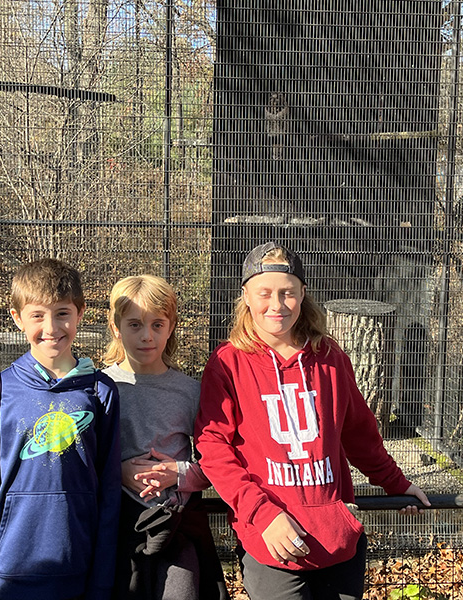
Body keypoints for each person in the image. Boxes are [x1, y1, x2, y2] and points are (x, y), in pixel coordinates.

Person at [194, 242, 430, 600]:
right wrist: (262, 514)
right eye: (265, 293)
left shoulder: (330, 357)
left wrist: (396, 483)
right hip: (273, 543)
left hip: (336, 539)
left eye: (288, 292)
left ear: (303, 293)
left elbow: (359, 434)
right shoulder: (228, 363)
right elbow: (213, 447)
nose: (277, 305)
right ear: (245, 295)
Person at [0, 258, 121, 600]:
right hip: (11, 572)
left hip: (80, 568)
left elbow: (109, 492)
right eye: (37, 315)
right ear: (17, 318)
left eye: (62, 313)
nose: (51, 327)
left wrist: (103, 579)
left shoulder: (100, 393)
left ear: (80, 314)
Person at [102, 274, 228, 600]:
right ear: (116, 327)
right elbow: (83, 464)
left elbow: (218, 464)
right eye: (134, 325)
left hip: (180, 525)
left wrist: (179, 473)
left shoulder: (191, 392)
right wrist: (118, 472)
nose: (147, 336)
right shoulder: (99, 389)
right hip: (120, 526)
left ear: (171, 327)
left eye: (158, 325)